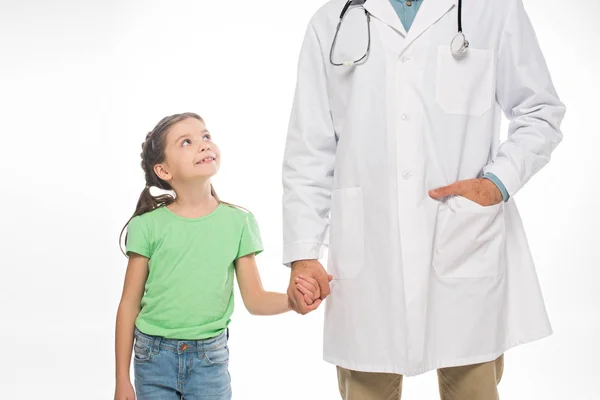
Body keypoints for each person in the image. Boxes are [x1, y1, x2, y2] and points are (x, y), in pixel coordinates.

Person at [282, 0, 565, 399]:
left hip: (464, 236)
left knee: (473, 385)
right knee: (366, 383)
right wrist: (303, 251)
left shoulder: (492, 9)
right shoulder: (332, 21)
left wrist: (495, 184)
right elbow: (309, 148)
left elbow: (540, 111)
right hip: (368, 251)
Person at [114, 113, 324, 400]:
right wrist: (121, 379)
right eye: (186, 142)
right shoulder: (147, 225)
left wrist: (291, 301)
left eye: (206, 136)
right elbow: (129, 304)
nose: (203, 145)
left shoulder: (239, 223)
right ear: (163, 171)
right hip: (153, 358)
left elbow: (255, 299)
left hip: (208, 362)